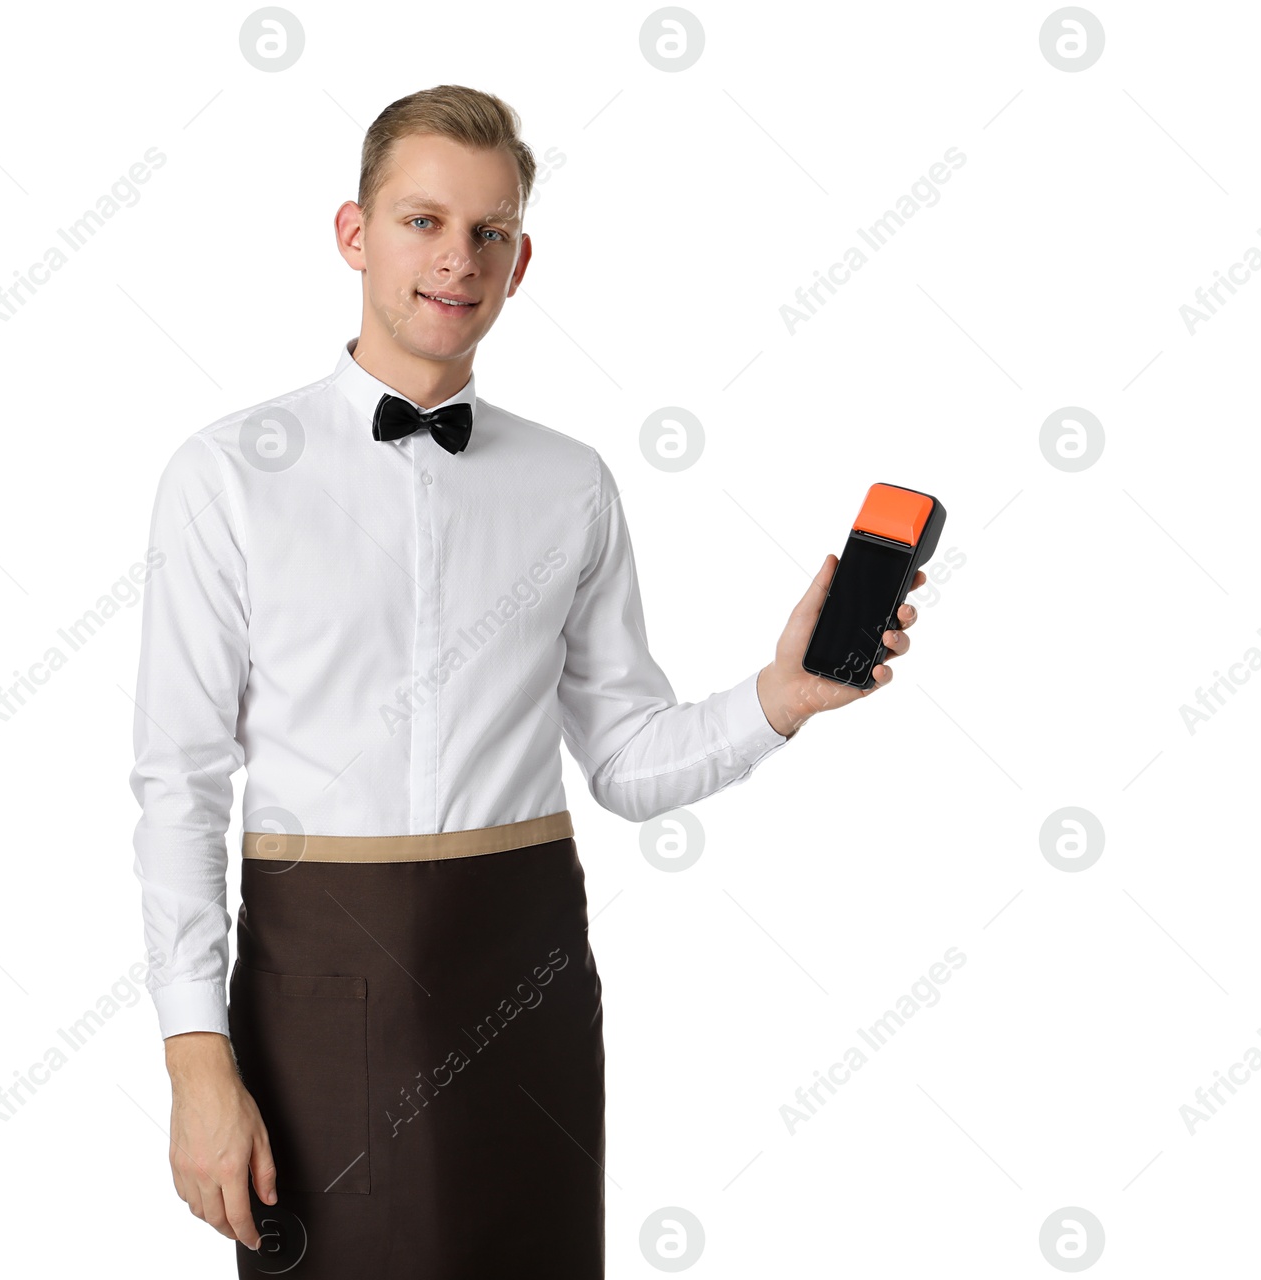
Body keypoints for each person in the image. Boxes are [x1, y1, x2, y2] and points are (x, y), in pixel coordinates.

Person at [128, 84, 924, 1278]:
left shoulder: (573, 483)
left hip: (528, 980)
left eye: (489, 231)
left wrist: (783, 693)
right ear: (354, 233)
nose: (457, 259)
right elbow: (178, 782)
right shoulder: (227, 474)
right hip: (315, 996)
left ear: (521, 256)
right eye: (423, 222)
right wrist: (197, 1060)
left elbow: (628, 762)